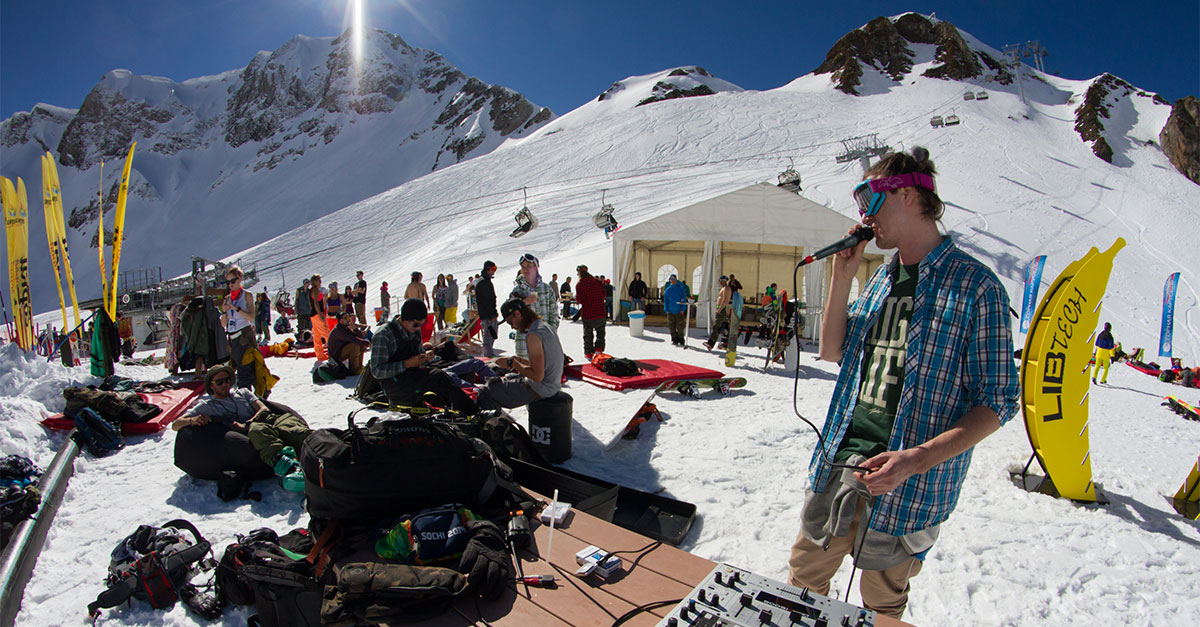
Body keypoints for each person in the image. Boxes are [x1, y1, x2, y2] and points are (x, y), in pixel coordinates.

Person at [786, 147, 1019, 619]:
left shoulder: (977, 287)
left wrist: (918, 459)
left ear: (909, 195)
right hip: (839, 462)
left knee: (883, 604)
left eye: (871, 201)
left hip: (909, 485)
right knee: (803, 583)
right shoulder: (880, 280)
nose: (865, 217)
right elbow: (833, 352)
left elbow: (997, 401)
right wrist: (842, 277)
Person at [171, 364, 312, 491]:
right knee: (258, 431)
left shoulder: (243, 392)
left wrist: (248, 423)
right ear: (211, 386)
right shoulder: (208, 406)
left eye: (227, 380)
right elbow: (175, 425)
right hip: (254, 431)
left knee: (293, 428)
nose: (225, 385)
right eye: (219, 382)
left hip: (267, 419)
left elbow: (263, 408)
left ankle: (323, 450)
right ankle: (290, 469)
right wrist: (192, 420)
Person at [369, 299, 479, 414]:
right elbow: (377, 371)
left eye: (421, 324)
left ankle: (468, 413)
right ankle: (470, 412)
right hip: (395, 384)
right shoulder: (384, 335)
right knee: (438, 379)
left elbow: (418, 355)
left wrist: (425, 357)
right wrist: (407, 363)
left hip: (413, 376)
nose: (418, 328)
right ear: (405, 318)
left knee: (443, 378)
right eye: (416, 324)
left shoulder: (414, 331)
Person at [477, 299, 564, 410]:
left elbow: (537, 376)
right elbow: (544, 364)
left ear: (517, 314)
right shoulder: (544, 326)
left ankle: (492, 425)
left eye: (510, 322)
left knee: (486, 392)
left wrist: (512, 363)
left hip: (542, 389)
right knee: (508, 378)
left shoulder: (533, 335)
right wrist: (518, 360)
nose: (512, 327)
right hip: (552, 386)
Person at [511, 253, 559, 358]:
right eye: (523, 267)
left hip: (544, 339)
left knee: (546, 370)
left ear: (536, 267)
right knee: (527, 371)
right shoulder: (517, 290)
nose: (526, 269)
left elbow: (554, 313)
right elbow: (510, 315)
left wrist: (551, 332)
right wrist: (523, 303)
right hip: (524, 342)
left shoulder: (546, 289)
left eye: (529, 266)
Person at [221, 266, 257, 389]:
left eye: (233, 281)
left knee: (246, 368)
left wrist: (236, 309)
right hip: (232, 336)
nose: (230, 284)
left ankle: (247, 394)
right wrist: (224, 312)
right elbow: (223, 324)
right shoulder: (227, 298)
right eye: (228, 282)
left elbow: (252, 317)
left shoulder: (247, 295)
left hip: (244, 334)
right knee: (236, 367)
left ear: (240, 279)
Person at [575, 265, 607, 357]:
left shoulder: (580, 284)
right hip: (600, 312)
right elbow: (604, 295)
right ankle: (599, 350)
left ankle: (588, 353)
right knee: (600, 333)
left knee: (588, 334)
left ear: (580, 273)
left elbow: (579, 300)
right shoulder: (598, 282)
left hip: (588, 313)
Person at [327, 311, 371, 375]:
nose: (349, 320)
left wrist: (355, 329)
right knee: (354, 346)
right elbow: (354, 339)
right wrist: (368, 344)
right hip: (335, 357)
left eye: (348, 317)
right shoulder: (339, 330)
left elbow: (359, 337)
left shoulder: (344, 328)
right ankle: (354, 369)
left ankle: (359, 367)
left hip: (341, 352)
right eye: (346, 318)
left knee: (361, 345)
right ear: (341, 320)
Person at [475, 262, 499, 357]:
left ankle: (488, 354)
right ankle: (488, 356)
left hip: (488, 314)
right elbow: (487, 301)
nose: (494, 271)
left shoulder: (486, 281)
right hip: (487, 315)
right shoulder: (483, 282)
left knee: (491, 334)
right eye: (493, 268)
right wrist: (492, 315)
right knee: (488, 336)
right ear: (487, 269)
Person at [703, 276, 732, 351]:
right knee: (724, 327)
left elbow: (725, 300)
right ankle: (725, 343)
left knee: (716, 326)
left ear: (723, 281)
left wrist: (719, 309)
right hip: (722, 309)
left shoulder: (726, 288)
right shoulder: (724, 288)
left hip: (722, 309)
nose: (719, 282)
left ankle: (711, 343)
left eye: (720, 281)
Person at [663, 274, 689, 346]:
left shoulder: (681, 288)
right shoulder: (668, 290)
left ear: (676, 280)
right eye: (671, 279)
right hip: (670, 311)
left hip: (679, 311)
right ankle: (674, 338)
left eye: (674, 279)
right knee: (671, 326)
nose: (672, 280)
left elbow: (683, 299)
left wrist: (683, 309)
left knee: (680, 326)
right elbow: (666, 301)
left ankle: (681, 339)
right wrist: (666, 309)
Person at [308, 274, 330, 361]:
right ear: (315, 281)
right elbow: (316, 303)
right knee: (326, 333)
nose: (320, 282)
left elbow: (315, 303)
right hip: (317, 315)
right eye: (319, 280)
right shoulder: (316, 290)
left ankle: (320, 355)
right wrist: (320, 315)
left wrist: (325, 298)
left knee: (316, 335)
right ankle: (332, 352)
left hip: (313, 314)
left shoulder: (311, 291)